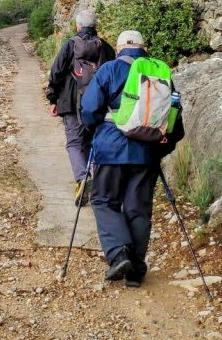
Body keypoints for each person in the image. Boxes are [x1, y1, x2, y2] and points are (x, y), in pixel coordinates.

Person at [80, 30, 185, 287]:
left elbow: (90, 110)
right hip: (146, 153)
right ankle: (135, 272)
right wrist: (161, 148)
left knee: (104, 201)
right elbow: (175, 120)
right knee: (138, 209)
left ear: (118, 49)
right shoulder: (160, 73)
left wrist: (95, 131)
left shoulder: (108, 70)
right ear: (143, 48)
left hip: (110, 150)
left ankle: (118, 253)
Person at [46, 9, 115, 205]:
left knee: (75, 143)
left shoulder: (70, 45)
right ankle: (99, 186)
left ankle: (83, 178)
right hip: (100, 105)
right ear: (96, 26)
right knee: (95, 142)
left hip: (70, 102)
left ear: (78, 26)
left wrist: (53, 98)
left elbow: (56, 72)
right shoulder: (106, 48)